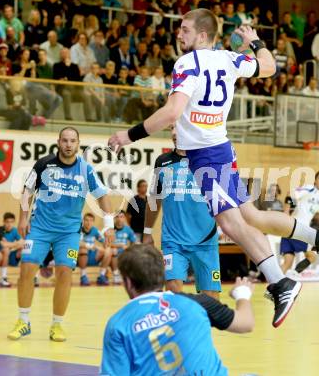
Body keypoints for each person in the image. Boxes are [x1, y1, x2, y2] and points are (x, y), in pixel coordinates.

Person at [108, 9, 319, 327]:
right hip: (221, 148)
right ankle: (318, 238)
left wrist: (128, 135)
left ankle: (281, 282)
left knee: (232, 224)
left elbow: (171, 112)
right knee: (251, 217)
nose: (179, 35)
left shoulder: (187, 63)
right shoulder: (229, 59)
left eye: (185, 30)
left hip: (207, 155)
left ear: (202, 35)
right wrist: (256, 41)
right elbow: (268, 67)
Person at [7, 127, 114, 342]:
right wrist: (22, 218)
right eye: (64, 140)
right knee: (27, 269)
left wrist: (109, 224)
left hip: (68, 233)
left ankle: (57, 324)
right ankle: (23, 321)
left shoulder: (86, 170)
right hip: (40, 228)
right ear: (58, 142)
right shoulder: (44, 164)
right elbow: (27, 192)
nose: (68, 144)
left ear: (78, 143)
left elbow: (102, 196)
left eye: (72, 141)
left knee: (65, 272)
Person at [100, 243, 255, 376]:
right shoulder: (198, 302)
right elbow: (246, 323)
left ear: (127, 282)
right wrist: (242, 294)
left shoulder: (119, 324)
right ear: (162, 274)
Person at [143, 125, 221, 299]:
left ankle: (202, 326)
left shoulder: (208, 160)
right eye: (171, 128)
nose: (174, 133)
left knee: (211, 297)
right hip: (173, 241)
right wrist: (147, 232)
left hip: (205, 241)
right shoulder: (162, 162)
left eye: (179, 128)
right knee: (172, 289)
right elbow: (154, 199)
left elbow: (223, 198)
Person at [279, 171, 319, 275]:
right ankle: (293, 274)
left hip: (291, 229)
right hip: (298, 228)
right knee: (312, 256)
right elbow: (290, 193)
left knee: (287, 262)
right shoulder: (309, 188)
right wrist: (286, 212)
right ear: (315, 180)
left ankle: (273, 285)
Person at [78, 212, 112, 286]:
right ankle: (83, 276)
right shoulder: (78, 229)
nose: (88, 222)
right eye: (86, 220)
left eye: (91, 220)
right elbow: (77, 243)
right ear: (83, 221)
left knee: (108, 251)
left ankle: (102, 276)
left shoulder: (95, 230)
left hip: (92, 257)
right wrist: (92, 246)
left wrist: (107, 238)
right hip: (79, 257)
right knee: (83, 249)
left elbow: (105, 244)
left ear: (93, 222)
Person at [0, 212, 24, 287]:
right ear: (3, 222)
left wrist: (16, 245)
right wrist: (16, 244)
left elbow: (22, 242)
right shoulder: (0, 230)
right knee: (6, 249)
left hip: (9, 255)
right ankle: (3, 278)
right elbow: (4, 245)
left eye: (11, 222)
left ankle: (26, 277)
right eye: (7, 222)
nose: (9, 224)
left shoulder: (15, 231)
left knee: (24, 249)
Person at [110, 210, 136, 284]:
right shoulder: (110, 229)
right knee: (114, 251)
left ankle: (131, 276)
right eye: (117, 217)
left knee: (134, 252)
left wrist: (129, 247)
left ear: (124, 218)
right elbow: (107, 244)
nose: (119, 219)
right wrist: (120, 245)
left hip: (124, 252)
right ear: (114, 218)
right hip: (113, 252)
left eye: (121, 217)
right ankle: (116, 274)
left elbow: (134, 242)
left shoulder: (128, 229)